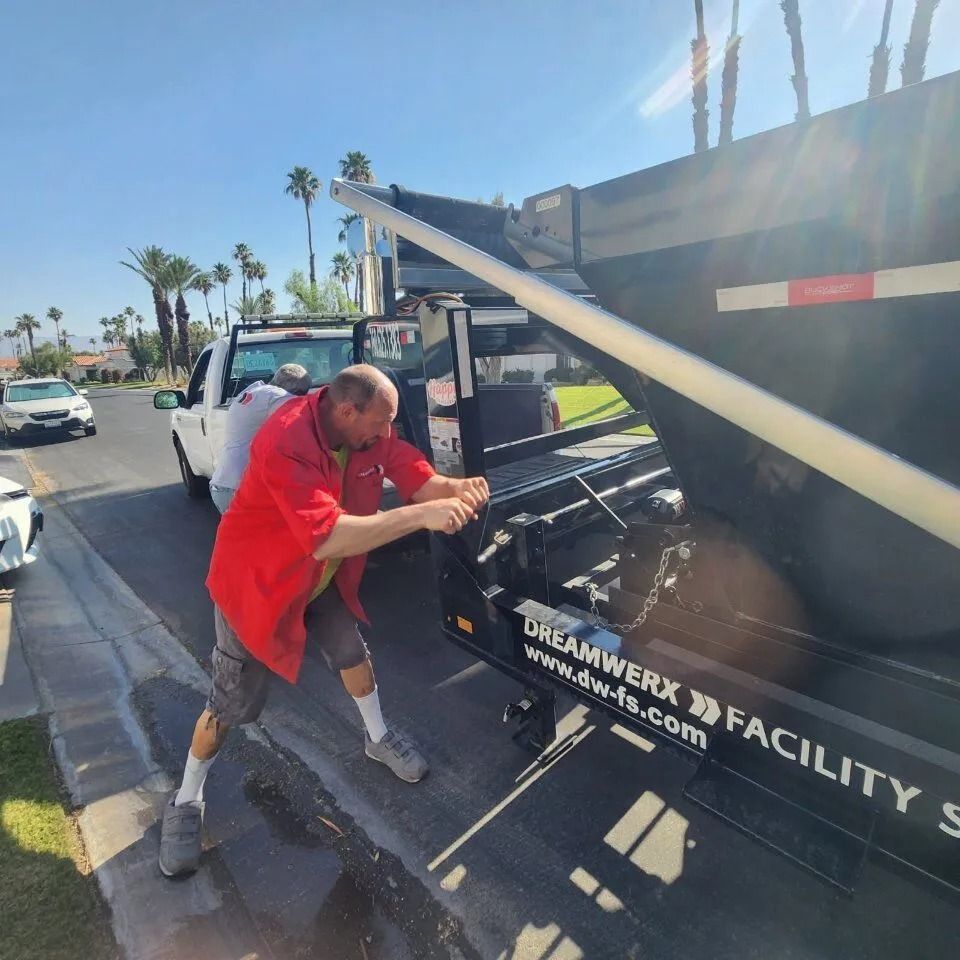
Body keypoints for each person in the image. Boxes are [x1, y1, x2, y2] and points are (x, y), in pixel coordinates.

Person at [159, 364, 489, 878]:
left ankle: (377, 738)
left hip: (318, 578)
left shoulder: (365, 433)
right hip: (259, 585)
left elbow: (410, 471)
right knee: (232, 702)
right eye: (378, 424)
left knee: (351, 652)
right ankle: (185, 800)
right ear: (346, 410)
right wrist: (420, 517)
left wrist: (453, 488)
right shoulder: (287, 438)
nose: (385, 433)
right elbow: (327, 537)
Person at [208, 363, 312, 513]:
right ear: (292, 388)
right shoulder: (275, 395)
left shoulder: (256, 392)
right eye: (301, 392)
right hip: (240, 486)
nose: (300, 397)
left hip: (226, 484)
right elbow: (305, 413)